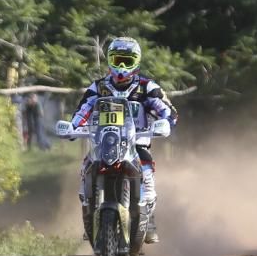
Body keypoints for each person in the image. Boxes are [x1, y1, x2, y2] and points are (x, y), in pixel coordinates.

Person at [70, 36, 177, 244]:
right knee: (86, 169)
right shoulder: (98, 87)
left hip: (136, 143)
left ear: (136, 62)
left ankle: (149, 218)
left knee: (146, 173)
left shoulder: (147, 87)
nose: (121, 66)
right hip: (103, 143)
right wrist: (72, 127)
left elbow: (169, 111)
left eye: (126, 61)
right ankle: (89, 216)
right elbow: (82, 110)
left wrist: (165, 123)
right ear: (109, 60)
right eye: (117, 59)